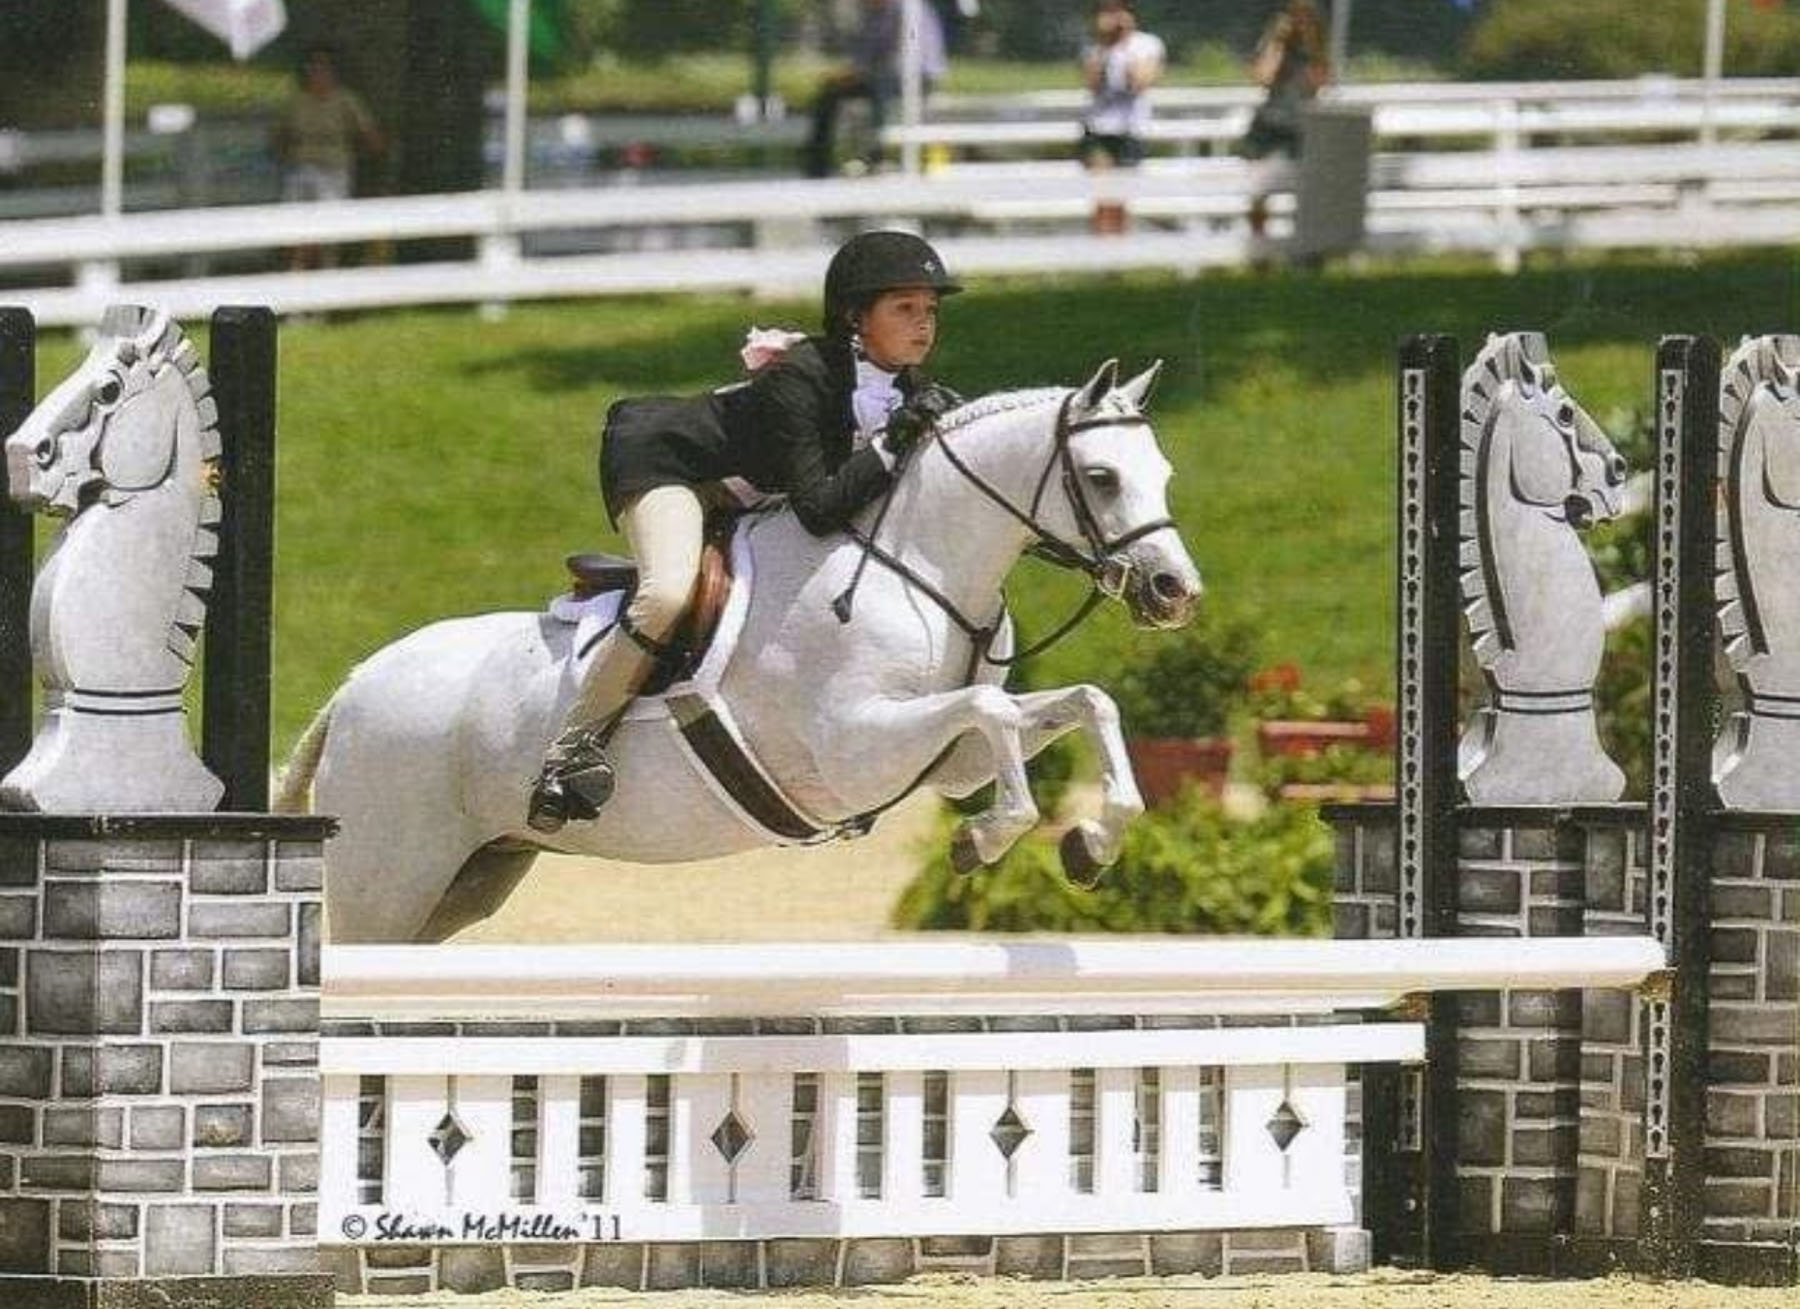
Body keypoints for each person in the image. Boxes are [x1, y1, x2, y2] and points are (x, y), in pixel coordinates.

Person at [527, 231, 964, 833]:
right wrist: (892, 443)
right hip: (674, 467)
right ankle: (569, 749)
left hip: (752, 490)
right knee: (668, 593)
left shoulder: (909, 392)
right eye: (905, 309)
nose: (924, 324)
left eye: (931, 310)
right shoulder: (803, 376)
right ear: (855, 317)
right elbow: (819, 509)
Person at [804, 0, 948, 179]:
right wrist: (850, 73)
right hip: (880, 76)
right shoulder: (874, 13)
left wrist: (861, 72)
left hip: (917, 77)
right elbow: (867, 54)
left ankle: (876, 156)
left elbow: (902, 57)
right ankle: (817, 165)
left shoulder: (908, 9)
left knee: (878, 85)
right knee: (831, 91)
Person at [271, 43, 384, 269]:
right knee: (295, 229)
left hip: (334, 170)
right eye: (313, 67)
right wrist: (287, 155)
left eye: (324, 67)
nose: (318, 72)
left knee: (329, 230)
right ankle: (296, 274)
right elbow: (277, 136)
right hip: (300, 170)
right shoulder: (295, 102)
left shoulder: (346, 101)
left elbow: (371, 136)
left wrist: (357, 154)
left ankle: (328, 275)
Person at [1239, 1, 1330, 247]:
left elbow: (1319, 83)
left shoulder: (1315, 50)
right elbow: (1263, 77)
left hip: (1302, 126)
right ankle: (1258, 246)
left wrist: (1311, 40)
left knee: (1309, 190)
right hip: (1270, 125)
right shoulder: (1275, 46)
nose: (1298, 23)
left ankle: (1306, 246)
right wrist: (1277, 41)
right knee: (1258, 190)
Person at [1078, 0, 1165, 235]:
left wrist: (1124, 43)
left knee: (1123, 197)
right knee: (1101, 195)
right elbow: (1092, 84)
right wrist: (1105, 46)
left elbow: (1139, 82)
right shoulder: (1093, 47)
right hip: (1098, 129)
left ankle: (1119, 249)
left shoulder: (1147, 44)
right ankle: (1100, 246)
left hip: (1131, 129)